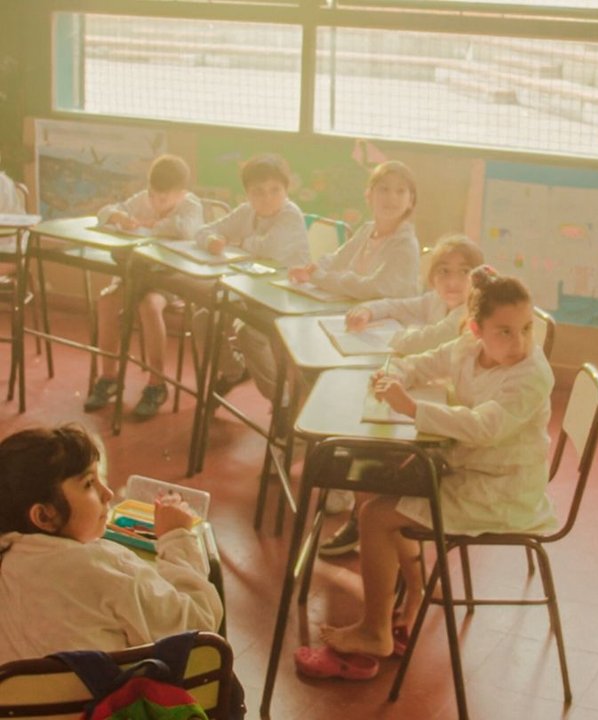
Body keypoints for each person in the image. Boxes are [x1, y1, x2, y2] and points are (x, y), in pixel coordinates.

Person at [297, 267, 555, 669]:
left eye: (526, 328)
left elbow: (485, 427)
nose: (519, 341)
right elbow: (416, 363)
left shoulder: (531, 375)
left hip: (501, 490)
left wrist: (414, 408)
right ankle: (412, 595)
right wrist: (390, 377)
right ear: (476, 328)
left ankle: (375, 631)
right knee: (373, 487)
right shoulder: (468, 347)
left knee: (376, 516)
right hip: (469, 469)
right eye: (504, 331)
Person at [318, 233, 485, 557]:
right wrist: (368, 310)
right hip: (431, 401)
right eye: (443, 272)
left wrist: (394, 336)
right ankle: (370, 523)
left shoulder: (469, 315)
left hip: (452, 427)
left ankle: (371, 524)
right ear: (432, 276)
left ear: (477, 278)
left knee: (373, 448)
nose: (453, 281)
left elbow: (423, 342)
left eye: (464, 272)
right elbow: (396, 306)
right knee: (370, 430)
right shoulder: (436, 301)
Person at [0, 424, 223, 664]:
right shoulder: (106, 567)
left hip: (23, 700)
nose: (107, 493)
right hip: (115, 701)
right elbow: (199, 627)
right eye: (88, 484)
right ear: (45, 516)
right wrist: (175, 537)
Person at [84, 154, 204, 419]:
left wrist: (150, 224)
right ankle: (109, 376)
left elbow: (184, 230)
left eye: (165, 198)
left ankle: (156, 384)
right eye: (153, 195)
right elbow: (105, 214)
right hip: (135, 274)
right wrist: (117, 215)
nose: (157, 202)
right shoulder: (143, 199)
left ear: (182, 193)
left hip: (169, 281)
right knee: (106, 301)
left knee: (148, 306)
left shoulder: (191, 206)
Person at [192, 153, 311, 400]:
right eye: (258, 191)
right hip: (249, 290)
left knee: (248, 331)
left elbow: (270, 251)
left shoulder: (291, 215)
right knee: (204, 318)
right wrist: (212, 239)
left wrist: (236, 242)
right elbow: (204, 231)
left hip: (286, 296)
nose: (267, 198)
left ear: (286, 190)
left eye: (275, 190)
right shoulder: (246, 212)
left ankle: (281, 401)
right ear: (246, 194)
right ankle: (235, 370)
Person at [287, 160, 421, 302]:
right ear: (369, 195)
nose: (391, 197)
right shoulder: (367, 230)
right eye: (384, 189)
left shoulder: (406, 245)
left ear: (411, 200)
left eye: (400, 191)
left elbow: (374, 288)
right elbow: (337, 259)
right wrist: (310, 270)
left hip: (391, 320)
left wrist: (321, 277)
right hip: (355, 310)